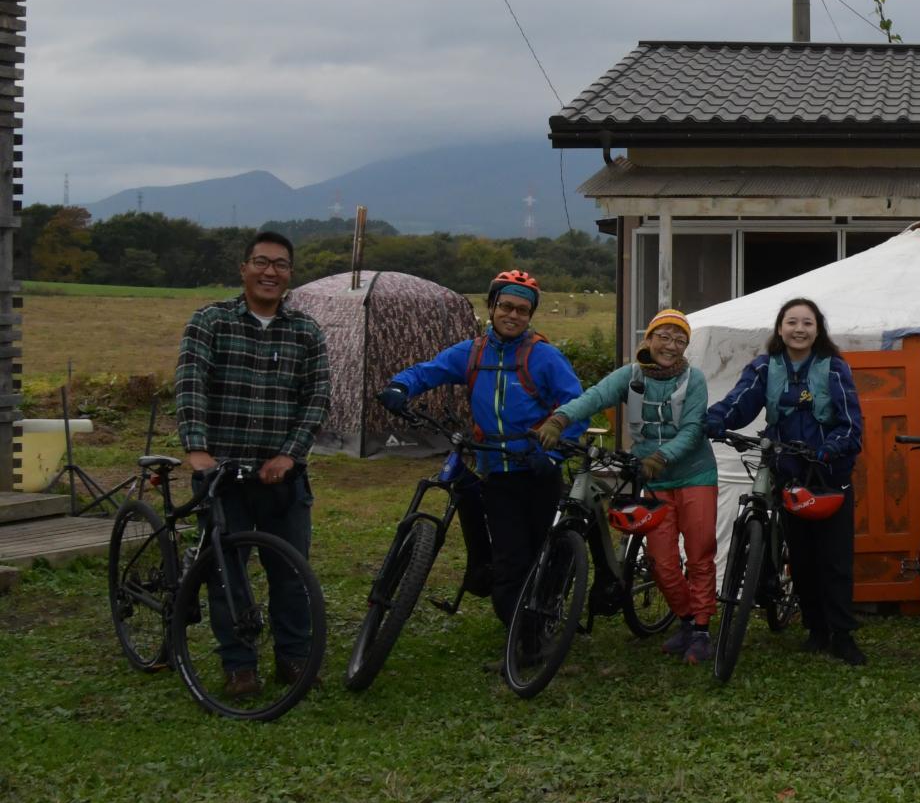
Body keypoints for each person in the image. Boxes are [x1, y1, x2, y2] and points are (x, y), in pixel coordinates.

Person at [377, 269, 585, 630]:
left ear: (530, 316)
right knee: (511, 558)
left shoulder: (545, 357)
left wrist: (552, 453)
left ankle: (546, 614)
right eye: (506, 306)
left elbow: (577, 407)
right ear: (491, 306)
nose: (513, 315)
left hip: (537, 469)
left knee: (542, 552)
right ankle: (521, 633)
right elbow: (429, 371)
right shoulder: (472, 352)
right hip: (497, 471)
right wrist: (400, 387)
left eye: (522, 310)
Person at [173, 229, 330, 699]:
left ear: (290, 275)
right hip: (224, 473)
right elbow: (190, 384)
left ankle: (294, 657)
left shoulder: (305, 330)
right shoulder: (211, 321)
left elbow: (317, 397)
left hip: (283, 477)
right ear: (243, 268)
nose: (270, 272)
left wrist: (289, 454)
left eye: (280, 265)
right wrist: (197, 449)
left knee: (291, 570)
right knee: (227, 572)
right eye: (261, 262)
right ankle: (240, 665)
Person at [533, 310, 717, 662]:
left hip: (695, 475)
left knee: (699, 553)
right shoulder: (629, 376)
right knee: (661, 561)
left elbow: (694, 430)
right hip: (652, 477)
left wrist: (659, 458)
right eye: (664, 336)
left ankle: (703, 629)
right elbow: (594, 397)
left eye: (680, 340)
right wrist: (559, 419)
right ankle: (687, 620)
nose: (671, 345)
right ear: (648, 339)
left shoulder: (694, 380)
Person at [705, 298, 868, 666]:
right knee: (803, 556)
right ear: (780, 328)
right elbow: (739, 403)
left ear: (817, 329)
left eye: (807, 323)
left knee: (834, 558)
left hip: (828, 473)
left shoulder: (834, 369)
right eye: (791, 322)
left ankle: (841, 635)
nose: (799, 329)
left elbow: (851, 424)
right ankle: (816, 630)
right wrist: (712, 421)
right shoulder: (765, 368)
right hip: (788, 472)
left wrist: (829, 448)